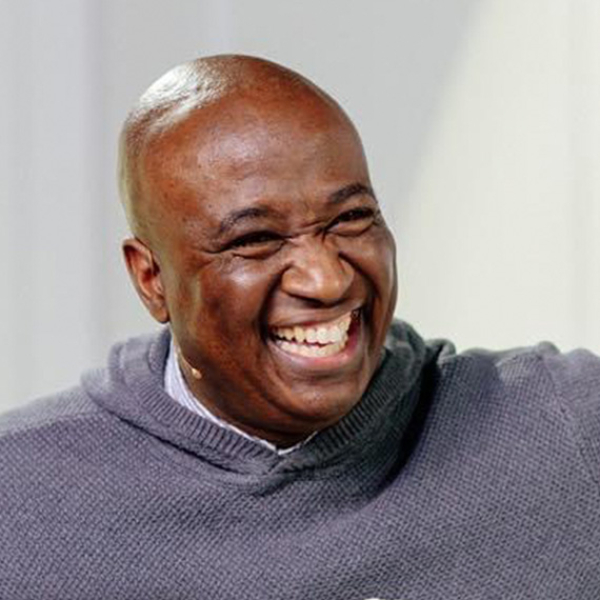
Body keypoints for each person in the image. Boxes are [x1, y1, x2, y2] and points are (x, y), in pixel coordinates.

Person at [1, 55, 599, 600]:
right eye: (255, 239)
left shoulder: (565, 422)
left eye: (351, 218)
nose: (327, 279)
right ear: (151, 278)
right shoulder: (19, 498)